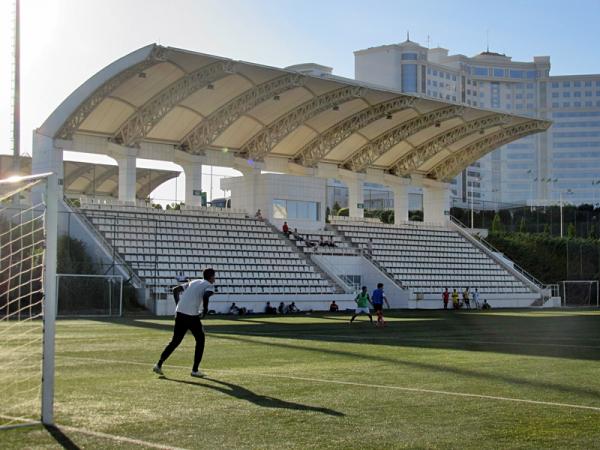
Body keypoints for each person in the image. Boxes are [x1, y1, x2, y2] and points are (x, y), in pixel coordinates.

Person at [153, 268, 216, 378]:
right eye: (214, 276)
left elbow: (175, 290)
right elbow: (206, 296)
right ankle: (195, 370)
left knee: (175, 341)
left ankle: (158, 364)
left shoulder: (194, 281)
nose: (215, 279)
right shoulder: (209, 285)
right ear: (211, 277)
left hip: (180, 313)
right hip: (191, 315)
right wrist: (205, 311)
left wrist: (178, 305)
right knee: (200, 339)